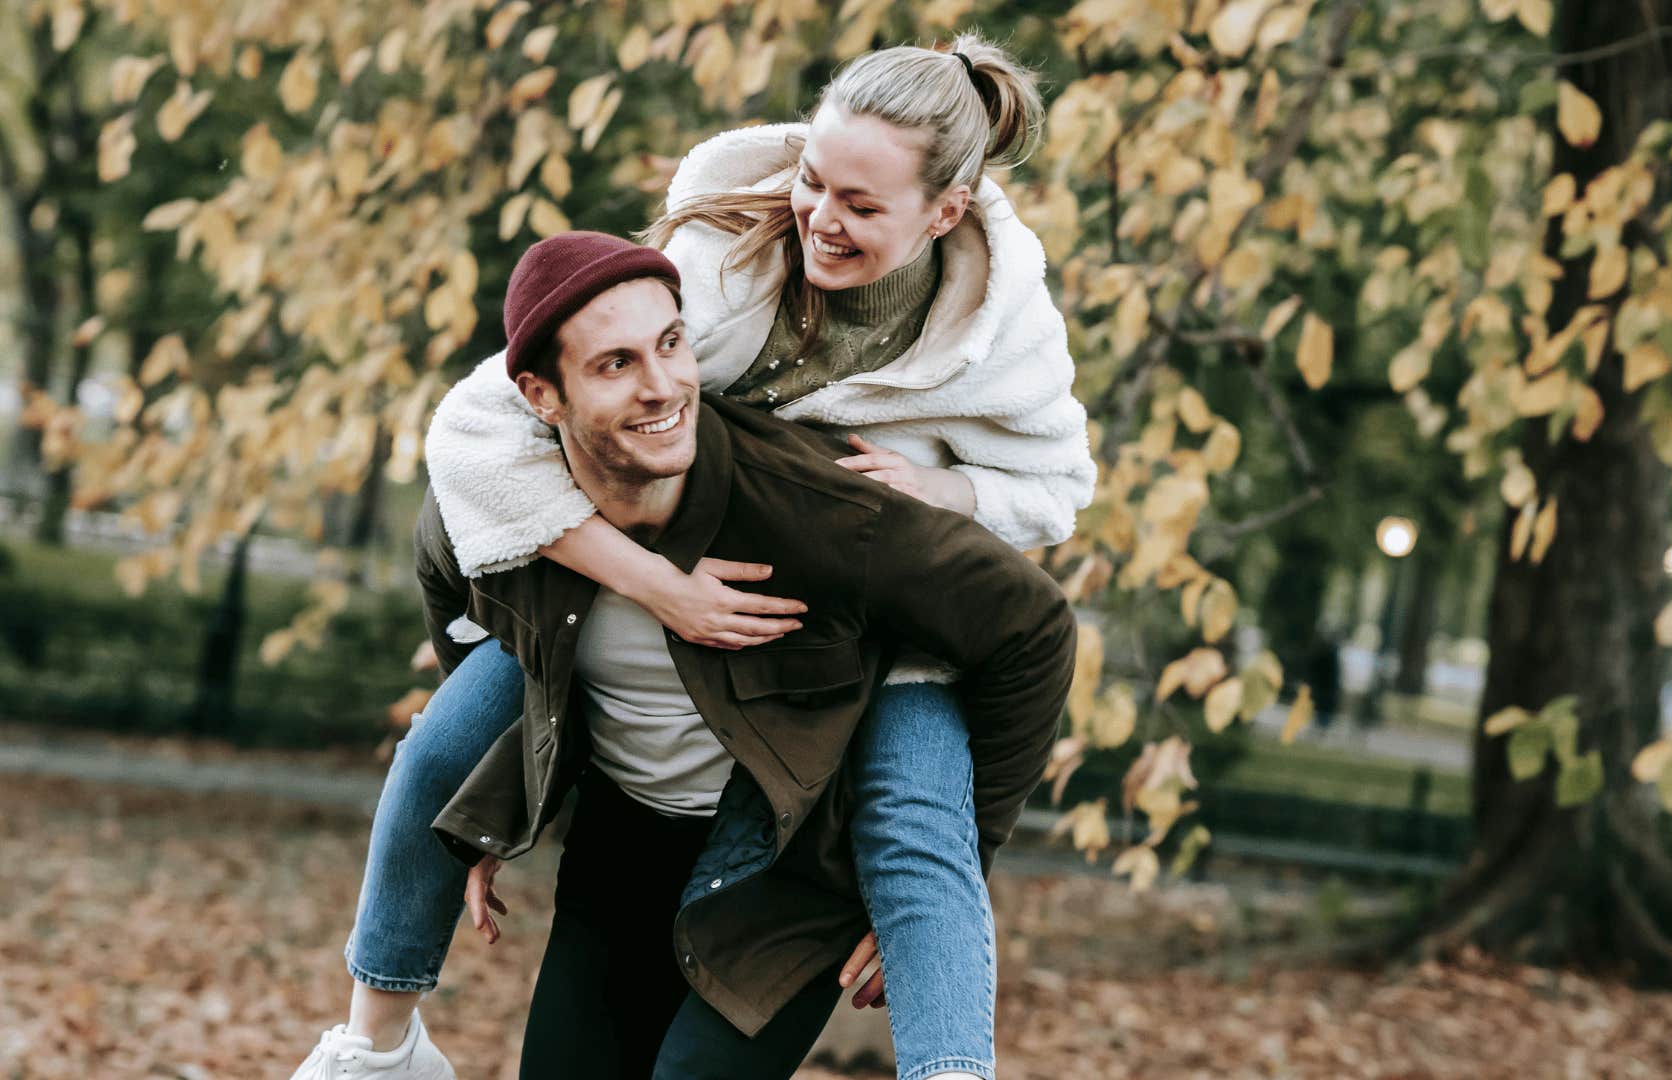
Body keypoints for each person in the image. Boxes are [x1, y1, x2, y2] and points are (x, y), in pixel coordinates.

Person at [294, 37, 1092, 1080]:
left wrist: (952, 491)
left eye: (861, 203)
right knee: (454, 737)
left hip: (872, 600)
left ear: (944, 212)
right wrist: (652, 593)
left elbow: (1057, 497)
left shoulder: (1005, 330)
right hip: (678, 543)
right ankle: (376, 1049)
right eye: (812, 179)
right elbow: (470, 459)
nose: (819, 216)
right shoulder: (714, 272)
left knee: (916, 814)